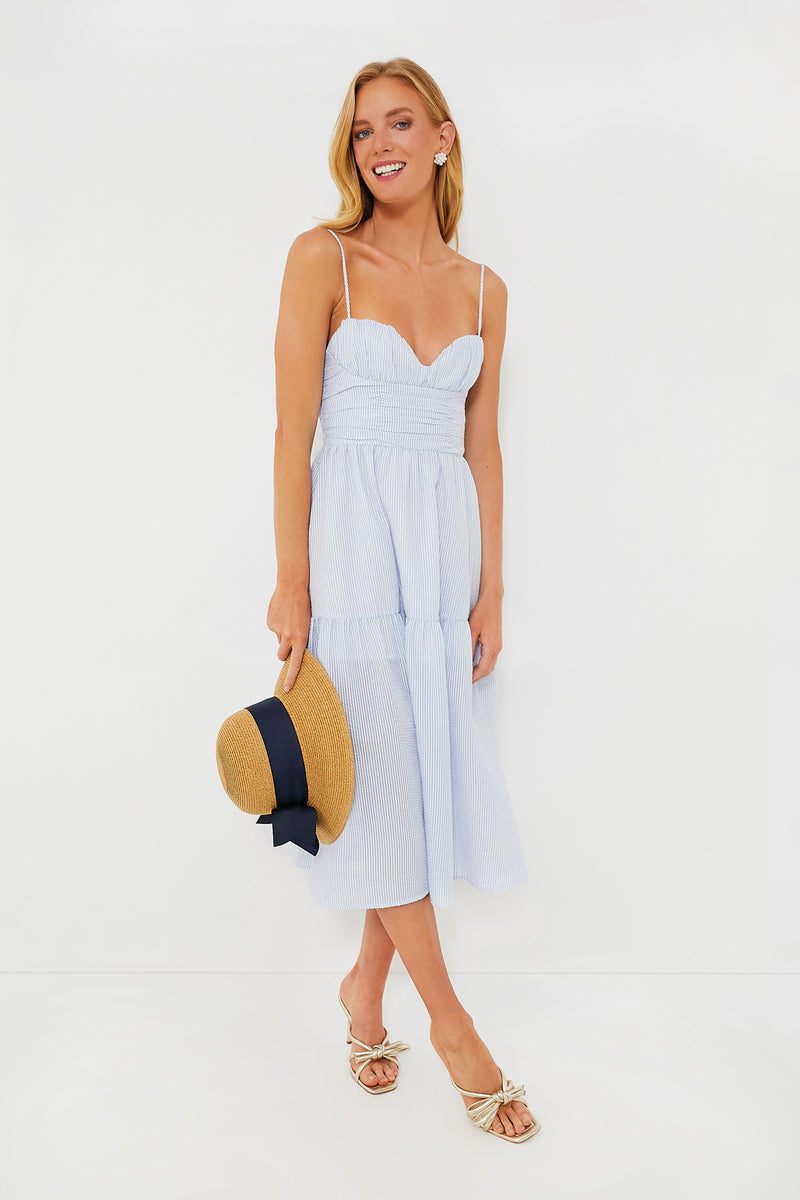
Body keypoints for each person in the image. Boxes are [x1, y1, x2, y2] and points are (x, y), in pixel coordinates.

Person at [266, 56, 539, 1143]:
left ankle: (363, 991)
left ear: (441, 136)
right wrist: (291, 581)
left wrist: (492, 589)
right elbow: (293, 430)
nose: (378, 144)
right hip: (351, 549)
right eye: (361, 129)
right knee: (378, 775)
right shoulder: (322, 258)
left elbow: (484, 447)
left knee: (419, 774)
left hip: (443, 557)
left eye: (398, 122)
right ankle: (454, 1027)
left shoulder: (485, 290)